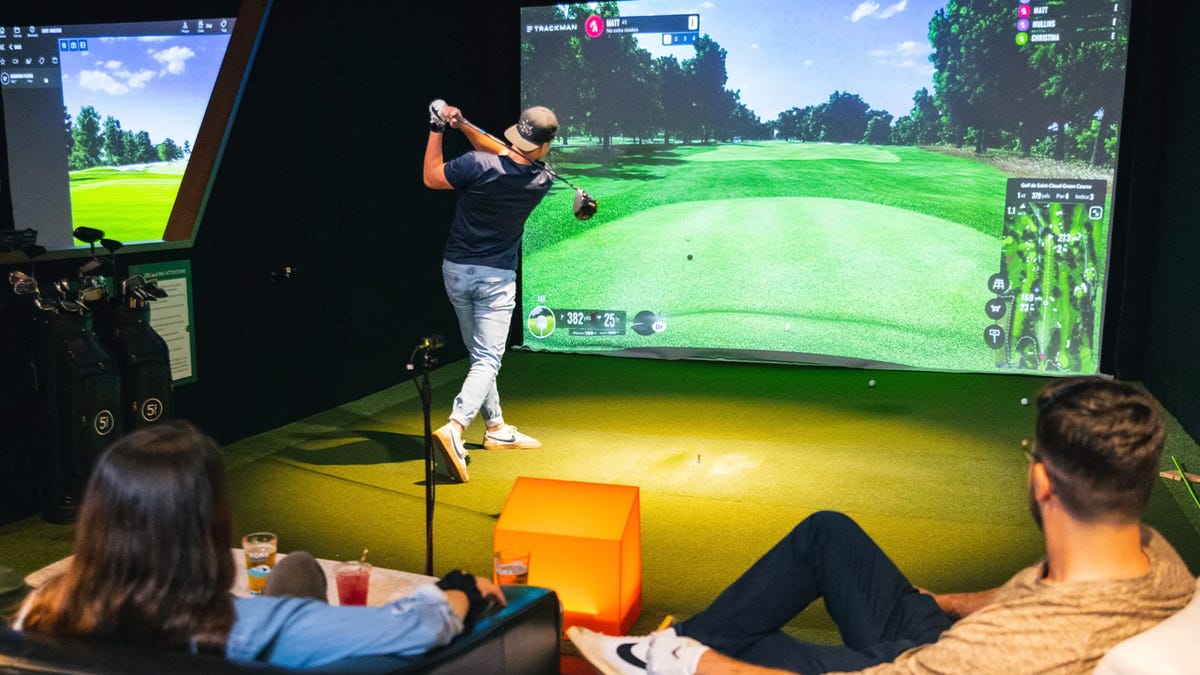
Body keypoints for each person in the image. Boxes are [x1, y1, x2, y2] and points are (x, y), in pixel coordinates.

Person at [570, 377, 1196, 675]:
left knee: (739, 652)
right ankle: (656, 656)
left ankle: (663, 657)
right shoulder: (1153, 553)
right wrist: (948, 601)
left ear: (1042, 483)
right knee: (828, 532)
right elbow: (1034, 595)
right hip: (945, 638)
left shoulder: (1000, 653)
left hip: (934, 663)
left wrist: (697, 662)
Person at [11, 421, 504, 669]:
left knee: (297, 570)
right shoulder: (252, 625)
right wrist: (460, 589)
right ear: (208, 526)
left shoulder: (41, 610)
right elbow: (420, 626)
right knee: (300, 575)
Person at [423, 100, 559, 483]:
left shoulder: (475, 164)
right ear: (543, 146)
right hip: (495, 279)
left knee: (479, 355)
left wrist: (438, 127)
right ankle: (455, 426)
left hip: (456, 271)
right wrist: (464, 124)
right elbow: (509, 155)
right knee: (487, 359)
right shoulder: (543, 178)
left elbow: (432, 177)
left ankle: (496, 427)